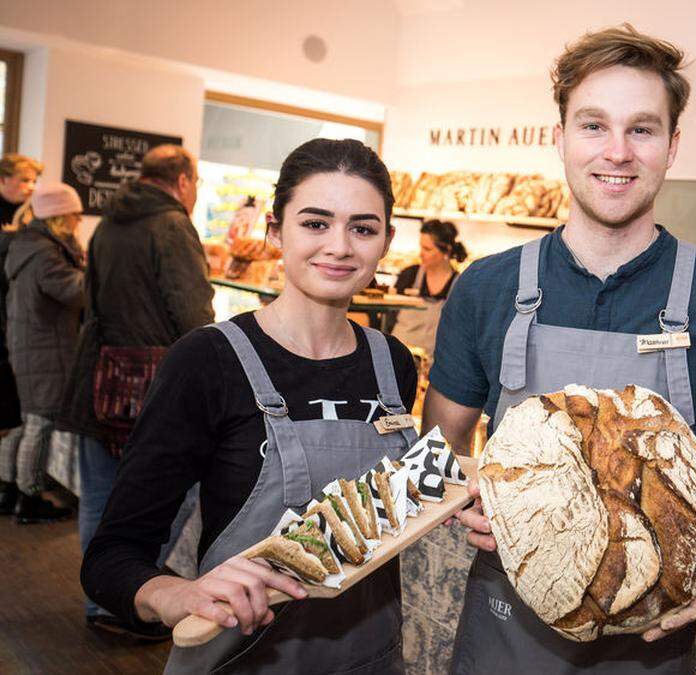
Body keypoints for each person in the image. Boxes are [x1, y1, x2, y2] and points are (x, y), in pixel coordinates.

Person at [427, 24, 696, 673]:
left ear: (672, 145)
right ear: (558, 138)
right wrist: (469, 499)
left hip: (654, 631)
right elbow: (437, 452)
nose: (617, 151)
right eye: (593, 126)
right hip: (508, 616)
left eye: (642, 128)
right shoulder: (487, 287)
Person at [81, 138, 420, 673]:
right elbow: (112, 556)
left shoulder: (393, 362)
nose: (339, 246)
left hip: (368, 658)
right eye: (315, 223)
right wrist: (177, 596)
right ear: (273, 231)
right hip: (242, 657)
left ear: (385, 242)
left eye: (362, 228)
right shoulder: (207, 361)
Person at [57, 144, 214, 635]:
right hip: (154, 388)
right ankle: (129, 603)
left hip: (97, 382)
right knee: (176, 494)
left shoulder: (105, 222)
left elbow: (90, 297)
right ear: (184, 181)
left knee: (101, 499)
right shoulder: (172, 225)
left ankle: (103, 601)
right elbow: (194, 316)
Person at [1, 182, 84, 523]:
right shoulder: (46, 254)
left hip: (31, 344)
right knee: (40, 422)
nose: (79, 222)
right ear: (60, 217)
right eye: (75, 216)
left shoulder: (30, 245)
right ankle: (28, 498)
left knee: (25, 423)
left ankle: (8, 490)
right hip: (45, 348)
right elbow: (76, 292)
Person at [0, 154, 43, 484]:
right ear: (4, 179)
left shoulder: (23, 218)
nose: (29, 188)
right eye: (24, 180)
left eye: (33, 182)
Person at [390, 219, 467, 354]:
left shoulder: (460, 285)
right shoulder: (409, 276)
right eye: (421, 247)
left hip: (434, 364)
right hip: (398, 356)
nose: (421, 253)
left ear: (446, 251)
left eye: (427, 249)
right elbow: (389, 318)